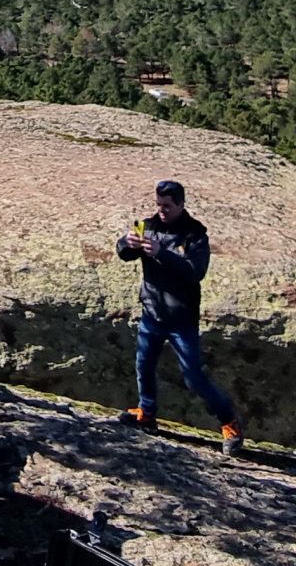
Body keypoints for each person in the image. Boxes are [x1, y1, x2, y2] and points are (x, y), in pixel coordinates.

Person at [116, 179, 245, 456]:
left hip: (181, 318)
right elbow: (124, 254)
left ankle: (229, 422)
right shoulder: (149, 226)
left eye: (167, 206)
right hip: (152, 312)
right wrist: (126, 243)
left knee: (193, 377)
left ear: (181, 204)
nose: (161, 210)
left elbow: (195, 271)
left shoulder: (195, 234)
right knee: (144, 365)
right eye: (158, 205)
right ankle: (147, 415)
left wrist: (163, 254)